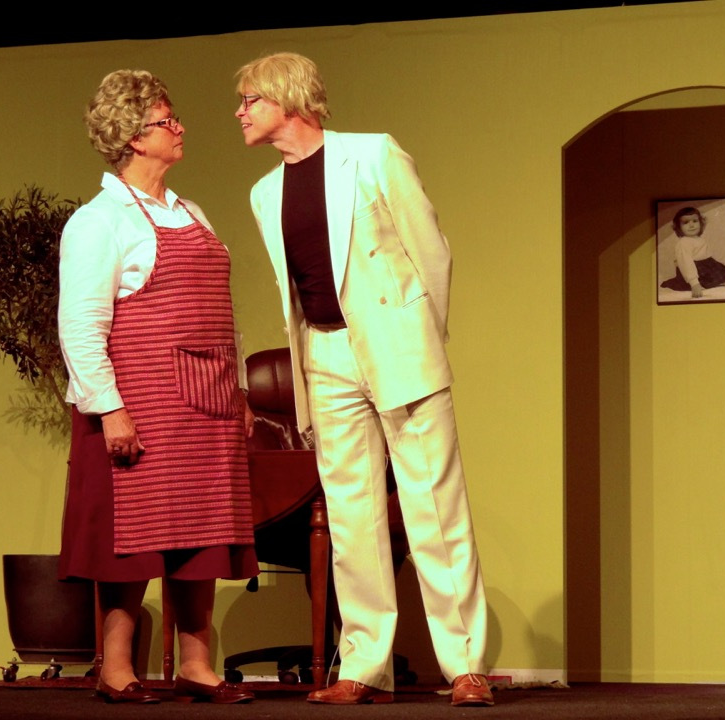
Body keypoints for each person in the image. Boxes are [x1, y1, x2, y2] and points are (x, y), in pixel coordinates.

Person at [234, 52, 493, 707]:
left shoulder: (374, 155)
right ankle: (363, 665)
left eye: (250, 100)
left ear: (286, 98)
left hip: (397, 346)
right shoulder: (264, 193)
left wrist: (419, 336)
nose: (240, 112)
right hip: (323, 354)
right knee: (352, 518)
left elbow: (432, 253)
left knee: (434, 506)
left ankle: (465, 665)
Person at [58, 69, 257, 705]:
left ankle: (196, 667)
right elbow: (81, 326)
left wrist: (238, 393)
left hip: (207, 401)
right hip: (139, 406)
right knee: (131, 544)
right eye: (167, 120)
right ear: (134, 136)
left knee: (203, 535)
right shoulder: (99, 221)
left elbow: (217, 313)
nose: (180, 128)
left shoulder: (190, 212)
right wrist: (110, 410)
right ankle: (117, 668)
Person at [659, 205, 725, 298]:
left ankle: (723, 281)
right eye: (686, 222)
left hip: (709, 266)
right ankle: (712, 282)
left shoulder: (699, 239)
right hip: (695, 270)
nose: (691, 225)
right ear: (678, 227)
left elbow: (706, 256)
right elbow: (686, 263)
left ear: (701, 223)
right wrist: (694, 283)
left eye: (695, 221)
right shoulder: (683, 243)